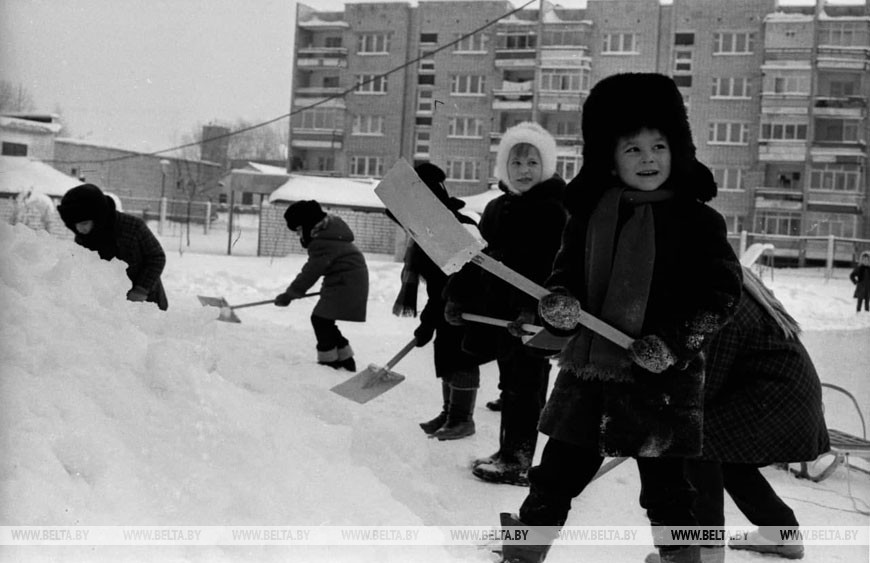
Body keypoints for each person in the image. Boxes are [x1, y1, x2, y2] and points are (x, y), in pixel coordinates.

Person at [501, 73, 743, 563]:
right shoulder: (589, 217)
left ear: (678, 150)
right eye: (633, 149)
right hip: (589, 374)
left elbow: (721, 296)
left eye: (659, 146)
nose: (648, 158)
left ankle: (681, 559)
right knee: (556, 474)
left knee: (668, 490)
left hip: (663, 382)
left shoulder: (699, 222)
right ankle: (524, 551)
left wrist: (673, 344)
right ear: (609, 158)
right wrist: (559, 307)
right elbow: (564, 279)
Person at [643, 267, 829, 563]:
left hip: (776, 403)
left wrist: (663, 415)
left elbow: (704, 387)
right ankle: (782, 535)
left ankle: (704, 551)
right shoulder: (734, 290)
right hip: (789, 403)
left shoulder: (724, 305)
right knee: (729, 458)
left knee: (696, 441)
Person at [444, 121, 567, 484]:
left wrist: (532, 309)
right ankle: (507, 452)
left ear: (546, 165)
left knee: (526, 388)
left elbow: (553, 265)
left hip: (531, 317)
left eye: (532, 162)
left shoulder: (554, 209)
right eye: (516, 163)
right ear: (504, 167)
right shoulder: (498, 207)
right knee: (509, 385)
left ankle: (518, 460)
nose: (524, 170)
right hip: (501, 313)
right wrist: (457, 297)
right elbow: (476, 258)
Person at [390, 163, 481, 440]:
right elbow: (437, 289)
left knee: (461, 359)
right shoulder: (426, 233)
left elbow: (456, 281)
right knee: (445, 356)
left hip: (465, 308)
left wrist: (428, 322)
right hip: (443, 305)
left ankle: (462, 419)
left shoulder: (458, 229)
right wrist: (428, 323)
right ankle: (449, 413)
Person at [276, 200, 368, 371]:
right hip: (347, 283)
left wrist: (290, 294)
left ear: (307, 225)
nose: (298, 235)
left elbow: (310, 272)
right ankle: (345, 359)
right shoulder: (330, 235)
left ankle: (329, 362)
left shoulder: (322, 242)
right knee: (324, 320)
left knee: (320, 319)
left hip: (345, 284)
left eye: (298, 229)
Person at [56, 183, 168, 310]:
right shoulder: (83, 237)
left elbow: (156, 257)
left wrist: (141, 290)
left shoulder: (134, 227)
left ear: (98, 217)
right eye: (74, 225)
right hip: (111, 306)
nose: (79, 229)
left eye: (84, 223)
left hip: (147, 303)